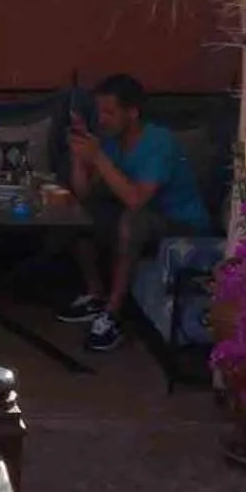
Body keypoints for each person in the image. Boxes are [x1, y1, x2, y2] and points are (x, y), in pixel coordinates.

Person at [59, 74, 208, 353]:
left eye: (109, 112)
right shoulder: (113, 142)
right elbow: (85, 194)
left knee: (132, 218)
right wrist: (80, 156)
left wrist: (98, 157)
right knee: (77, 212)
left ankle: (114, 313)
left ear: (132, 113)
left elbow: (136, 199)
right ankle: (95, 295)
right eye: (98, 112)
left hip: (184, 224)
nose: (101, 120)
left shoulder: (158, 142)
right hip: (143, 219)